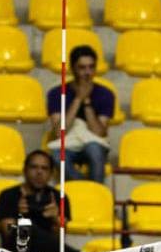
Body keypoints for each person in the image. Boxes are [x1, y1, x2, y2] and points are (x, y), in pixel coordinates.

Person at [47, 45, 113, 184]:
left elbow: (99, 133)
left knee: (94, 149)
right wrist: (78, 99)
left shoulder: (106, 94)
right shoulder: (56, 93)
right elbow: (59, 132)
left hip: (93, 143)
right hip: (67, 143)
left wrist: (87, 101)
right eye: (82, 68)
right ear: (73, 69)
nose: (87, 72)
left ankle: (95, 193)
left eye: (91, 67)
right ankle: (86, 189)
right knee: (58, 156)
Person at [0, 150, 72, 252]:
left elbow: (60, 240)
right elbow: (8, 234)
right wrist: (19, 215)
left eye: (44, 168)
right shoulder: (8, 195)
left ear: (51, 174)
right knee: (27, 227)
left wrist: (55, 218)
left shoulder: (59, 197)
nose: (39, 172)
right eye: (34, 167)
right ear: (25, 170)